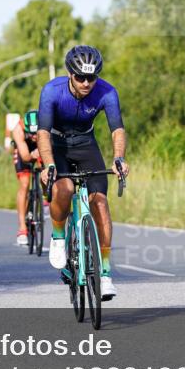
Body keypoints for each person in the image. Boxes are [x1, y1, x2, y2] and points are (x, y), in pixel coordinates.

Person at [38, 45, 130, 300]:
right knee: (64, 189)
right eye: (81, 77)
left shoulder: (107, 92)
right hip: (57, 144)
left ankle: (106, 274)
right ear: (70, 74)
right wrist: (48, 164)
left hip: (86, 144)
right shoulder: (52, 91)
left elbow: (117, 129)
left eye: (92, 77)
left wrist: (119, 158)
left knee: (99, 202)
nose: (87, 83)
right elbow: (43, 132)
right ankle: (58, 236)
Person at [11, 109, 42, 247]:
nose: (34, 136)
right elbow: (25, 156)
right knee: (24, 184)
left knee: (47, 171)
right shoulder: (18, 130)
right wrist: (32, 155)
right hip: (24, 147)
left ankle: (45, 197)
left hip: (43, 143)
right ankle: (22, 228)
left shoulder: (48, 124)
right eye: (32, 133)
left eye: (37, 133)